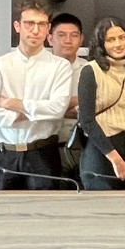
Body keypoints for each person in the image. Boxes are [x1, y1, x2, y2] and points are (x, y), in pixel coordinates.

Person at [0, 0, 73, 190]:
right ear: (17, 26)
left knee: (43, 216)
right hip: (3, 154)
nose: (35, 30)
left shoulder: (60, 66)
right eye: (29, 24)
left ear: (48, 29)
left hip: (42, 154)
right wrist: (21, 115)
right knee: (1, 216)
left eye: (41, 24)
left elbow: (57, 109)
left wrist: (12, 103)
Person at [77, 17, 125, 190]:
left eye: (121, 38)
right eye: (110, 39)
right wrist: (116, 160)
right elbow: (87, 121)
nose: (118, 44)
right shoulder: (90, 71)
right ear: (101, 44)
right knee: (104, 212)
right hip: (102, 152)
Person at [47, 12, 88, 182]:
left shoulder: (90, 69)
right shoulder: (41, 69)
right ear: (50, 39)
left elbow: (94, 106)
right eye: (61, 35)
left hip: (82, 146)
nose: (68, 40)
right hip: (48, 145)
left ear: (81, 39)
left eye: (74, 35)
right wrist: (78, 102)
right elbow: (37, 107)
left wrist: (55, 107)